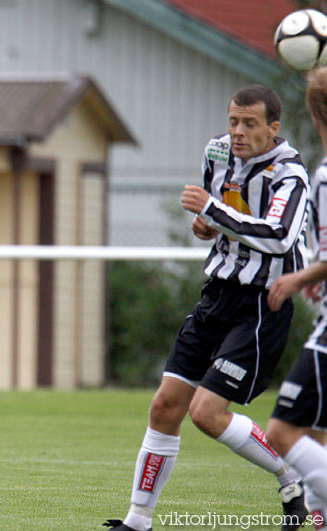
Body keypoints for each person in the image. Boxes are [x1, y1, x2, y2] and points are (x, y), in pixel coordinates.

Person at [104, 85, 310, 531]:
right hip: (216, 294)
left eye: (249, 124)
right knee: (164, 406)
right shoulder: (217, 153)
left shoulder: (290, 173)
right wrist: (205, 225)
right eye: (233, 121)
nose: (237, 131)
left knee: (206, 413)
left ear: (273, 128)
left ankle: (293, 473)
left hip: (262, 302)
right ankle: (137, 520)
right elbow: (220, 225)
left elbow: (279, 237)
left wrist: (212, 210)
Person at [267, 66, 327, 529]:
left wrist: (297, 276)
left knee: (284, 432)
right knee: (319, 431)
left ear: (312, 113)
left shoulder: (325, 177)